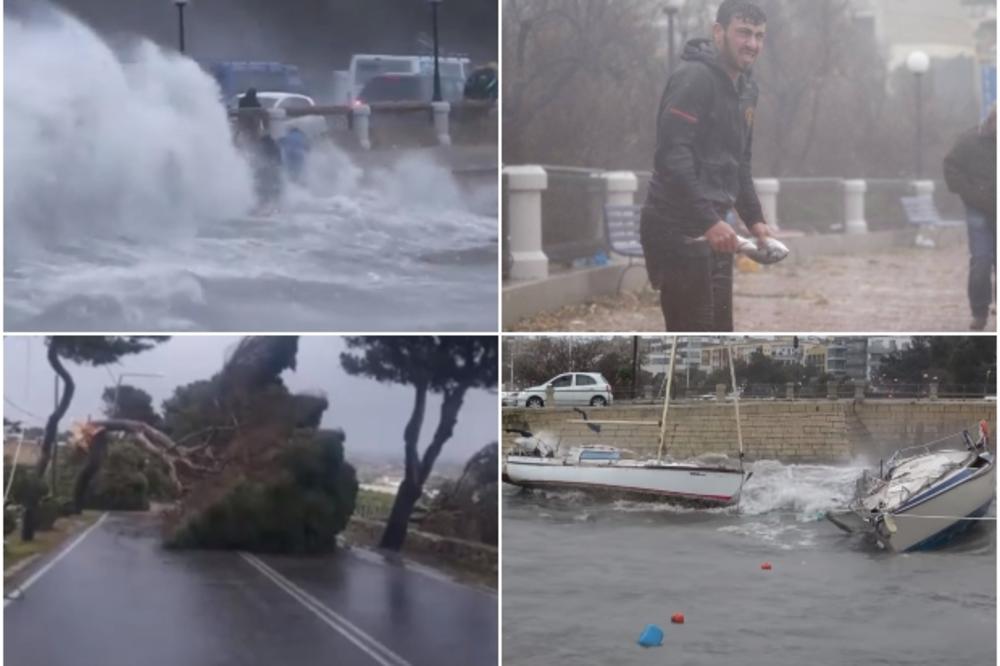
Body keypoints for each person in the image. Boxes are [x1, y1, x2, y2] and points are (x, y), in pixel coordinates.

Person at [639, 0, 771, 331]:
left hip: (716, 231)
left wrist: (755, 219)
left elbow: (739, 163)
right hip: (675, 228)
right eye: (743, 33)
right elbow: (673, 156)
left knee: (720, 333)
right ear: (718, 32)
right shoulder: (693, 78)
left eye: (758, 36)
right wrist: (708, 221)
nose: (752, 44)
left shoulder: (747, 89)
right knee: (691, 334)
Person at [943, 105, 996, 330]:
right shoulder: (968, 141)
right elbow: (951, 168)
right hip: (978, 208)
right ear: (992, 121)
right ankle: (980, 311)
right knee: (981, 262)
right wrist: (970, 193)